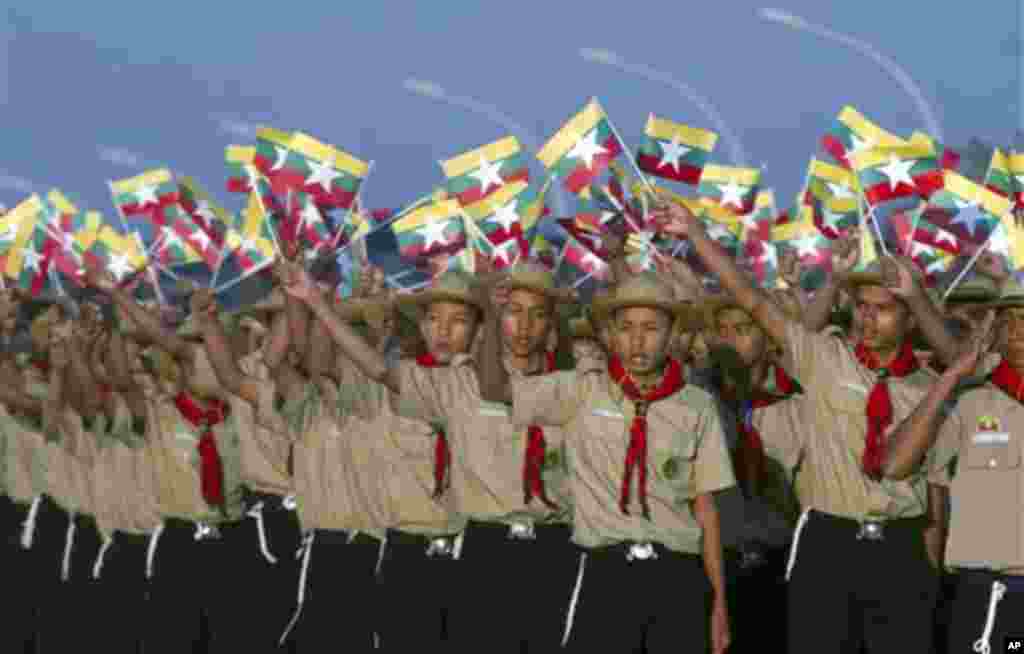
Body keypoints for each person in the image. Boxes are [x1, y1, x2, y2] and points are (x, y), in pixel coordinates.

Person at [655, 196, 957, 654]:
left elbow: (964, 369)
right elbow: (752, 300)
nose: (868, 317)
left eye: (885, 308)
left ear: (910, 318)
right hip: (828, 542)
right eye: (861, 306)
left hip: (901, 544)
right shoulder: (826, 359)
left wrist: (932, 572)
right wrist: (696, 233)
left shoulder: (929, 387)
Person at [480, 271, 733, 654]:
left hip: (677, 574)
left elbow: (706, 509)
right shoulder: (582, 389)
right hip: (603, 571)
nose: (637, 340)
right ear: (611, 334)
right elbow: (494, 389)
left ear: (672, 333)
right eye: (626, 327)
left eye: (651, 328)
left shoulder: (697, 406)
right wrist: (489, 309)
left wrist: (719, 604)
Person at [883, 280, 1024, 653]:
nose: (1019, 332)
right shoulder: (971, 402)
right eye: (1010, 321)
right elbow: (896, 464)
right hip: (993, 595)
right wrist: (949, 378)